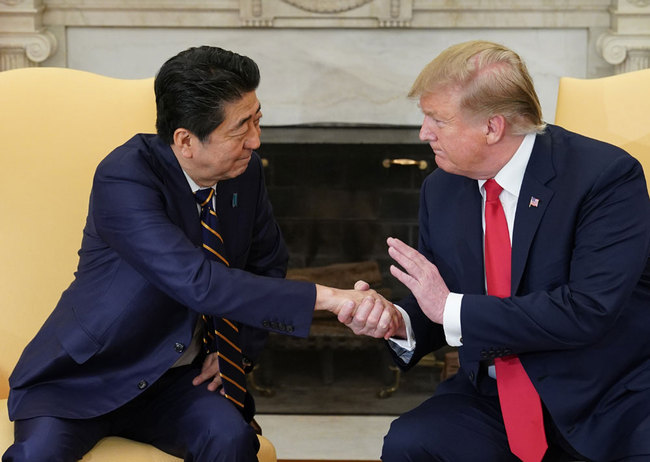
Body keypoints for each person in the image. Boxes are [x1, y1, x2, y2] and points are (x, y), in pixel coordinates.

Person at [2, 46, 401, 462]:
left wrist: (237, 351)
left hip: (175, 383)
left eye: (257, 118)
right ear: (186, 140)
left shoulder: (242, 175)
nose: (256, 140)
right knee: (36, 457)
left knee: (230, 441)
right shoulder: (124, 177)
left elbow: (267, 264)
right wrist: (334, 298)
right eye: (241, 128)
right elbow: (197, 281)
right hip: (85, 376)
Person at [357, 40, 650, 461]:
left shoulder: (604, 177)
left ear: (492, 127)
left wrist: (448, 308)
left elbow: (588, 309)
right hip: (494, 395)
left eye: (437, 119)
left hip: (606, 396)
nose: (424, 133)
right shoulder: (441, 188)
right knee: (411, 442)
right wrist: (396, 321)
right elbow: (443, 300)